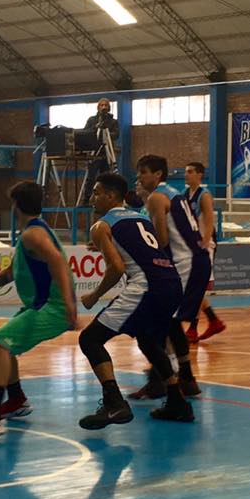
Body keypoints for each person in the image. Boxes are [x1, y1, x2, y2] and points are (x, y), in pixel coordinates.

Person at [0, 181, 78, 434]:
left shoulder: (34, 234)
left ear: (16, 206)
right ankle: (16, 400)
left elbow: (58, 261)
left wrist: (69, 306)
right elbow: (12, 271)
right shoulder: (33, 232)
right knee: (5, 345)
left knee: (0, 341)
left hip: (51, 307)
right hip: (42, 305)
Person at [77, 173, 191, 426]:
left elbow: (116, 268)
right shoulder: (141, 218)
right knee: (149, 341)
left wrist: (94, 296)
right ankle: (177, 402)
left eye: (96, 193)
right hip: (172, 283)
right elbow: (145, 248)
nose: (92, 198)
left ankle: (114, 403)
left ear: (111, 196)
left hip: (147, 286)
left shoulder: (100, 226)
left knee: (90, 339)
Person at [133, 155, 211, 400]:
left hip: (185, 262)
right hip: (194, 260)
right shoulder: (174, 193)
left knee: (156, 322)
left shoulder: (157, 197)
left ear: (158, 174)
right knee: (170, 321)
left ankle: (160, 381)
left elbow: (161, 240)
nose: (139, 177)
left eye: (143, 172)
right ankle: (186, 379)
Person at [184, 162, 226, 343]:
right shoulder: (185, 194)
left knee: (197, 287)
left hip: (204, 245)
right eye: (186, 172)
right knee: (194, 288)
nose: (186, 174)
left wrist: (205, 242)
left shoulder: (204, 195)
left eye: (190, 172)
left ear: (200, 175)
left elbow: (209, 221)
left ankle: (194, 328)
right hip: (192, 245)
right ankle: (212, 321)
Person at [80, 98, 120, 205]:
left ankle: (104, 199)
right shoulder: (92, 120)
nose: (104, 107)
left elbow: (116, 134)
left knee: (105, 178)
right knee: (91, 177)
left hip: (107, 153)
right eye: (101, 105)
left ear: (109, 108)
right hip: (94, 152)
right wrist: (95, 128)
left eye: (106, 105)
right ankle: (86, 200)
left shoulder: (113, 122)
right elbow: (85, 132)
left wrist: (106, 134)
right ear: (98, 107)